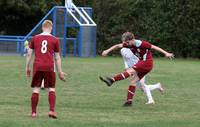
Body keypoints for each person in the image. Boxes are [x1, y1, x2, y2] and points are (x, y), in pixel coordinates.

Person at [99, 32, 174, 106]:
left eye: (127, 42)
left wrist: (166, 53)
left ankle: (112, 80)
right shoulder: (129, 44)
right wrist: (107, 51)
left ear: (132, 40)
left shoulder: (142, 44)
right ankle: (129, 101)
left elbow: (154, 47)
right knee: (133, 81)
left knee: (130, 71)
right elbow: (118, 46)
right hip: (144, 64)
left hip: (146, 62)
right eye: (125, 42)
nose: (126, 44)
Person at [25, 20, 66, 118]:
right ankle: (51, 111)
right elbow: (57, 57)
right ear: (51, 28)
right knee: (51, 88)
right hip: (49, 67)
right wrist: (60, 71)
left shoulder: (35, 38)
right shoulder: (55, 40)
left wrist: (27, 67)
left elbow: (29, 54)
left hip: (37, 67)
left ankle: (34, 113)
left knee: (36, 89)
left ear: (42, 27)